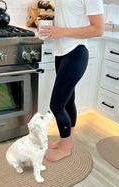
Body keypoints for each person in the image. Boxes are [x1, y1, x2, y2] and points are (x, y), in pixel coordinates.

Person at [39, 0, 105, 161]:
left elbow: (98, 29)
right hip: (61, 52)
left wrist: (60, 32)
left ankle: (66, 147)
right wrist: (53, 27)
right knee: (68, 101)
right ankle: (66, 140)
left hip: (76, 52)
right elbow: (69, 16)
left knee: (56, 105)